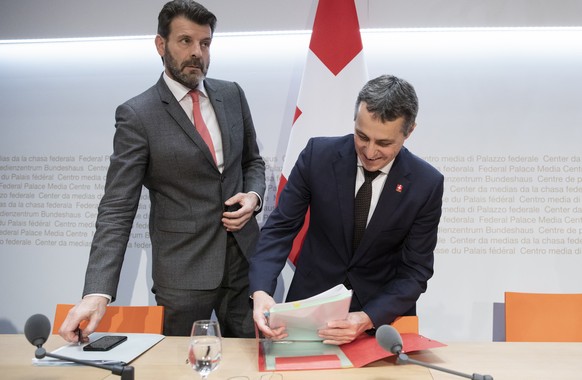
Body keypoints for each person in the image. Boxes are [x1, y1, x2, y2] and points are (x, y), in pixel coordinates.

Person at [59, 0, 265, 340]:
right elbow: (117, 207)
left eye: (205, 43)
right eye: (186, 41)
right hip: (183, 274)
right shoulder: (138, 115)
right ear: (161, 45)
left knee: (248, 363)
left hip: (244, 262)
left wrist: (254, 197)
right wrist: (97, 291)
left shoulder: (232, 94)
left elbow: (252, 162)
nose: (197, 52)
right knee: (178, 368)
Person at [249, 75, 443, 345]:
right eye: (362, 136)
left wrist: (367, 318)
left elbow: (415, 271)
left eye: (384, 143)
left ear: (408, 132)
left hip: (380, 321)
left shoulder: (426, 184)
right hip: (309, 311)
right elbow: (280, 229)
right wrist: (260, 291)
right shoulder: (317, 156)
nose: (370, 151)